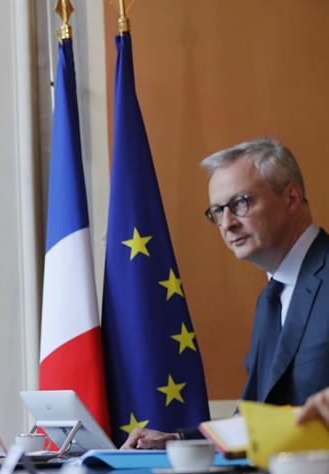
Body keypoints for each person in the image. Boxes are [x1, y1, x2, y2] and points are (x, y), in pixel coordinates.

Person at [124, 138, 329, 449]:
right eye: (218, 211)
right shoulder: (270, 298)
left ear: (291, 197)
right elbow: (258, 416)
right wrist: (178, 440)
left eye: (241, 203)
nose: (227, 224)